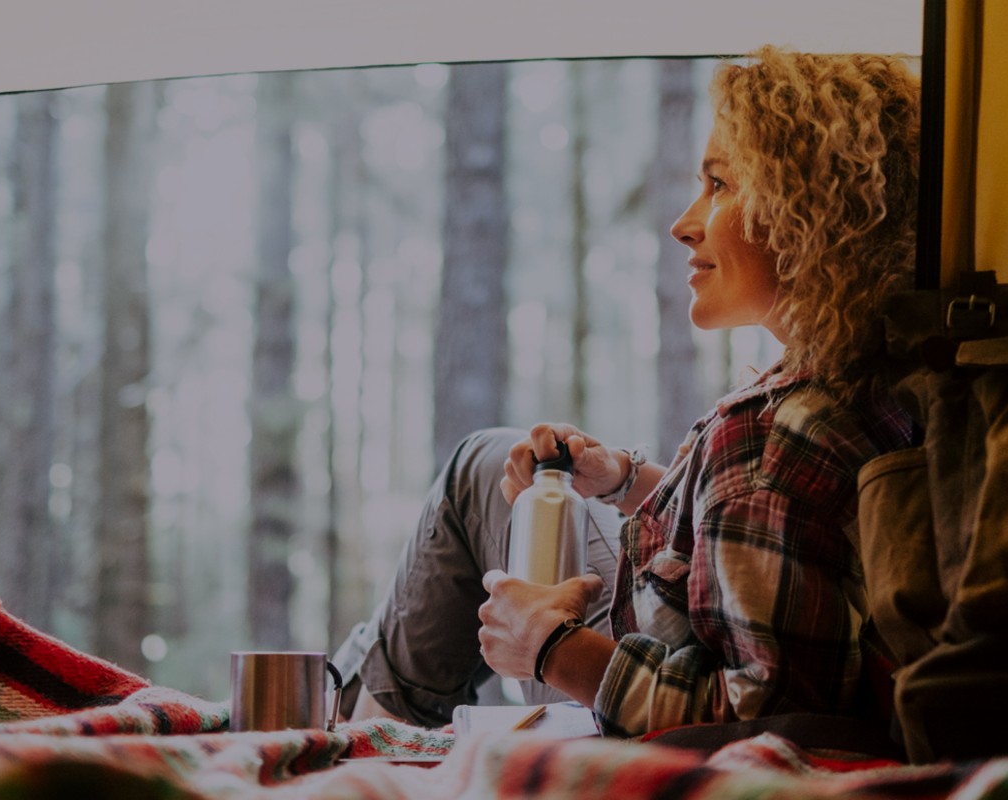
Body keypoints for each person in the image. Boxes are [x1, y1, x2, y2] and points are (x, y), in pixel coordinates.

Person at [331, 46, 920, 737]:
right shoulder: (870, 369)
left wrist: (551, 648)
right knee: (492, 461)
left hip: (649, 666)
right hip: (679, 610)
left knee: (473, 476)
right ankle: (353, 711)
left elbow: (772, 720)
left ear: (808, 209)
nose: (685, 222)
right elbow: (771, 523)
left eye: (721, 185)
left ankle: (360, 734)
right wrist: (623, 480)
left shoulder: (767, 440)